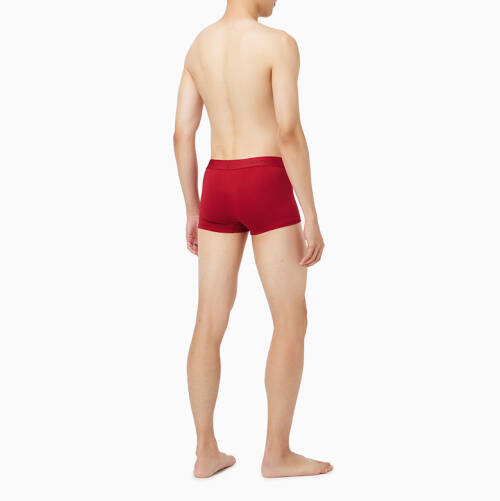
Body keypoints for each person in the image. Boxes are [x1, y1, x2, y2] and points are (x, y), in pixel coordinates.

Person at [174, 0, 331, 478]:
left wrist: (192, 208)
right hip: (265, 179)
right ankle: (277, 454)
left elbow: (181, 134)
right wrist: (310, 213)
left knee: (208, 320)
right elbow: (288, 131)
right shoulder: (278, 44)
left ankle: (205, 452)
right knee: (290, 317)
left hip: (218, 184)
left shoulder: (199, 46)